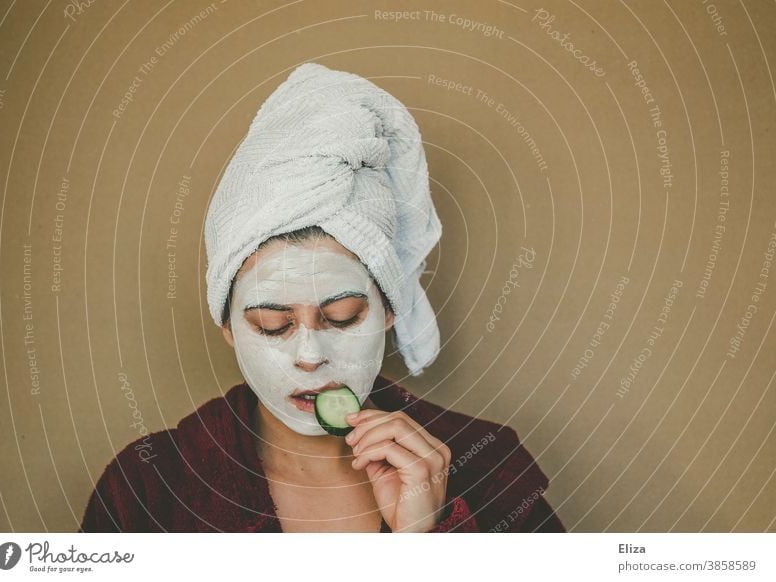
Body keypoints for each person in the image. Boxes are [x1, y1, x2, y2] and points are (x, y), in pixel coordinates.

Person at [79, 63, 565, 533]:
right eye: (272, 323)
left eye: (342, 317)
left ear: (389, 310)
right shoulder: (147, 488)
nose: (310, 356)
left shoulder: (489, 469)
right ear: (227, 326)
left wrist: (429, 539)